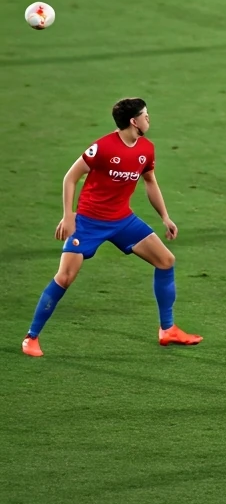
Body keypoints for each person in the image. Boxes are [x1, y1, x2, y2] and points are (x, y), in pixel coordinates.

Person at [21, 98, 201, 357]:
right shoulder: (103, 147)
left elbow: (150, 181)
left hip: (122, 220)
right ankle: (31, 338)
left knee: (165, 260)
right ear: (133, 121)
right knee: (65, 277)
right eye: (145, 115)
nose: (149, 119)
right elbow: (70, 177)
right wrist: (68, 215)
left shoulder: (146, 149)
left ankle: (168, 329)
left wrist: (165, 217)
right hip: (88, 223)